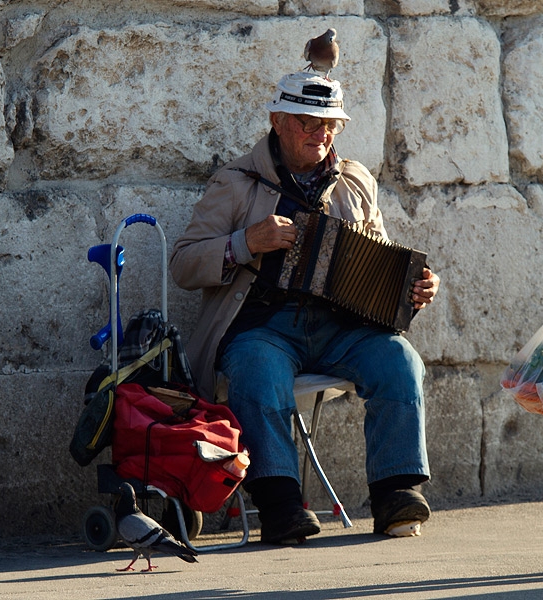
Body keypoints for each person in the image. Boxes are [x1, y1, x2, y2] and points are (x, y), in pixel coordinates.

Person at [170, 71, 440, 543]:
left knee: (400, 361)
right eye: (309, 122)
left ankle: (397, 493)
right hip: (263, 326)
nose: (323, 134)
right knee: (256, 369)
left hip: (341, 326)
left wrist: (411, 288)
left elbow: (378, 255)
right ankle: (280, 505)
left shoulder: (354, 181)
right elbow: (183, 264)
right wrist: (245, 242)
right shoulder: (236, 183)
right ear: (277, 120)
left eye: (331, 124)